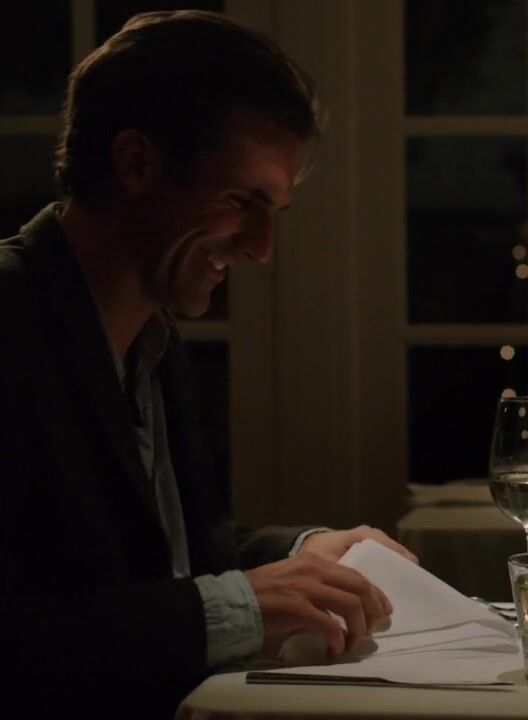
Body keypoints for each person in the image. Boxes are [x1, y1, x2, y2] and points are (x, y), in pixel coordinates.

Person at [0, 11, 417, 716]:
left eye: (274, 210)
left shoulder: (152, 341)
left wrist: (308, 552)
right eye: (241, 201)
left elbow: (172, 566)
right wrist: (236, 608)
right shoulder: (11, 323)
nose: (261, 247)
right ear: (136, 164)